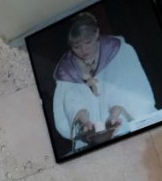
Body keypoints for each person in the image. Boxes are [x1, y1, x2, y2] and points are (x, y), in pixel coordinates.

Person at [51, 11, 156, 153]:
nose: (84, 50)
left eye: (88, 42)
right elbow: (71, 101)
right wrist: (84, 122)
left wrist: (114, 114)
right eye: (76, 46)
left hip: (123, 124)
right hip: (91, 136)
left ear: (96, 33)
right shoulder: (66, 69)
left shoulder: (118, 50)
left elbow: (129, 87)